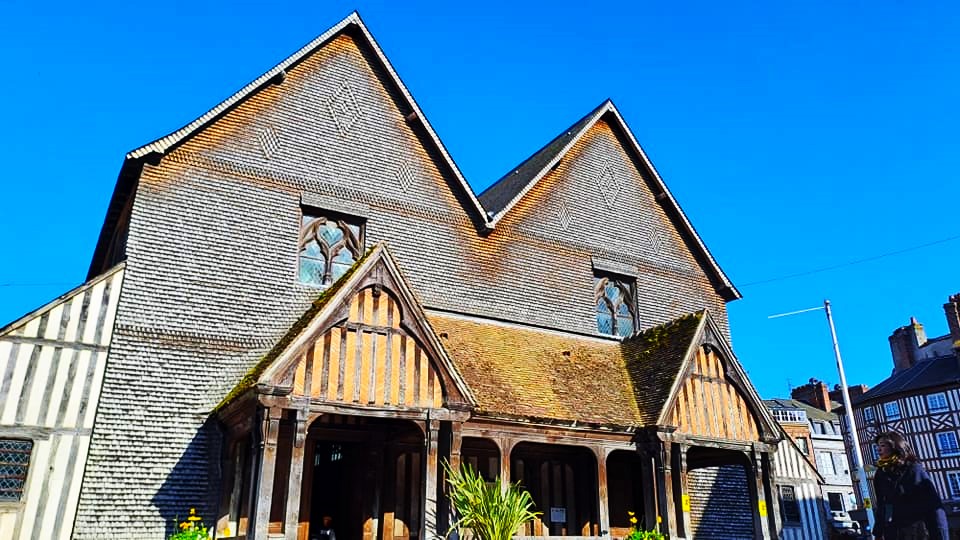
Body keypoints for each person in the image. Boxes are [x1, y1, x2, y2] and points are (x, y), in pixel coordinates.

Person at [872, 431, 949, 539]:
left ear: (895, 446)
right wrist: (879, 532)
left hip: (918, 532)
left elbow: (933, 505)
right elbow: (883, 505)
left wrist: (940, 534)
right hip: (894, 532)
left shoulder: (913, 469)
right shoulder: (881, 474)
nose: (878, 449)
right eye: (878, 446)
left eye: (883, 445)